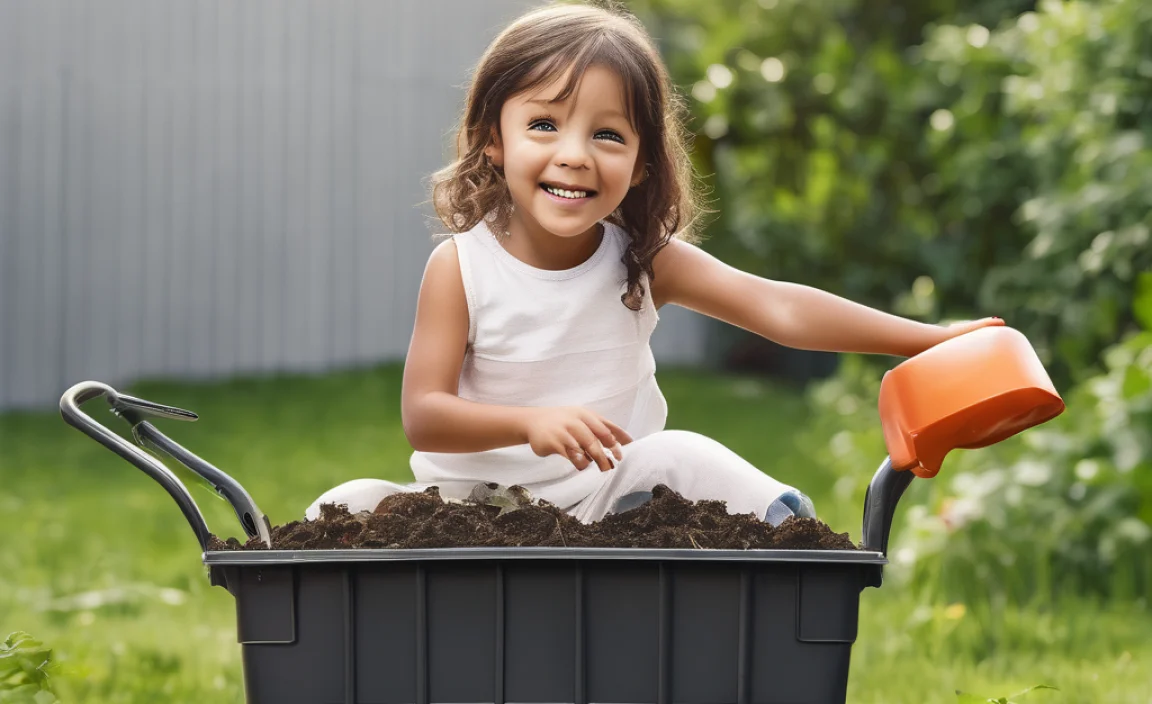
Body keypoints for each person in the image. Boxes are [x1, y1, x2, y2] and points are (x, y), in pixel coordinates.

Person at [305, 1, 1002, 524]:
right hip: (462, 514)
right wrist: (530, 423)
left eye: (608, 134)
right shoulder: (463, 267)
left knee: (680, 454)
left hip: (607, 501)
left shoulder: (641, 261)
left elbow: (779, 308)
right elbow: (425, 414)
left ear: (641, 166)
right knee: (345, 504)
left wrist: (932, 339)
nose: (575, 154)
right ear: (494, 139)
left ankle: (796, 558)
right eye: (544, 124)